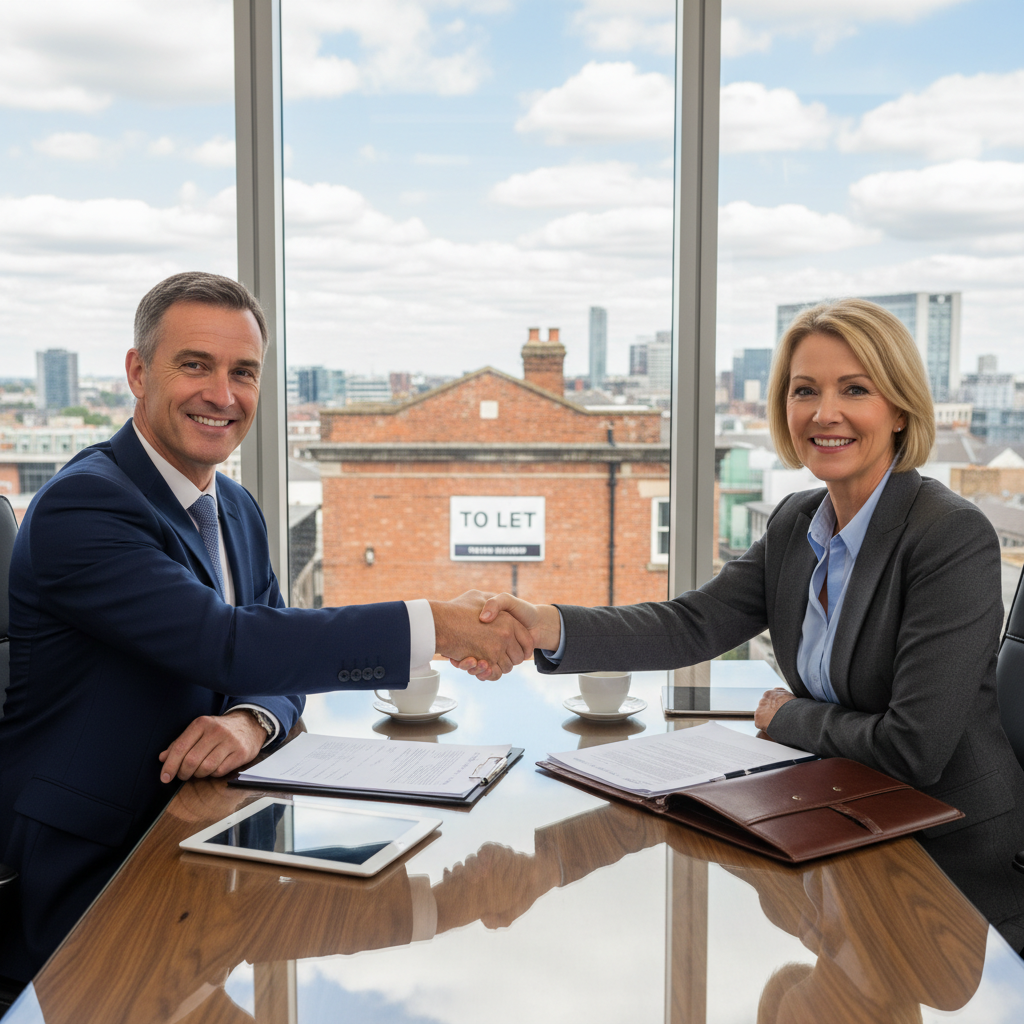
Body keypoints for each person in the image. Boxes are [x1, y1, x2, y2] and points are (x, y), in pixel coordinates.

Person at [0, 271, 532, 983]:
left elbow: (274, 665)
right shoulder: (84, 508)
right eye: (196, 366)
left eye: (243, 372)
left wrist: (251, 720)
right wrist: (436, 624)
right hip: (97, 874)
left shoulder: (237, 508)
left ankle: (444, 905)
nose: (223, 395)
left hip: (209, 840)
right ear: (137, 371)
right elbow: (230, 642)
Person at [462, 298, 1024, 950]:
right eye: (805, 390)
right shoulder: (795, 524)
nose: (824, 412)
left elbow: (914, 748)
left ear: (899, 409)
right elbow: (691, 624)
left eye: (855, 389)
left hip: (946, 864)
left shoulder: (949, 536)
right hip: (845, 819)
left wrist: (785, 718)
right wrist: (544, 625)